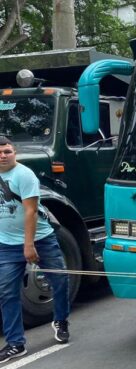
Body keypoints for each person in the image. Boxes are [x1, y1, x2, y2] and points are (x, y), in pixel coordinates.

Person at [0, 137, 71, 363]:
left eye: (7, 151)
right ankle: (15, 343)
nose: (3, 155)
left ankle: (61, 320)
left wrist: (29, 245)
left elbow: (30, 212)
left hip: (40, 239)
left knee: (59, 281)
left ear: (15, 153)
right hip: (6, 244)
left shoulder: (24, 175)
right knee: (7, 292)